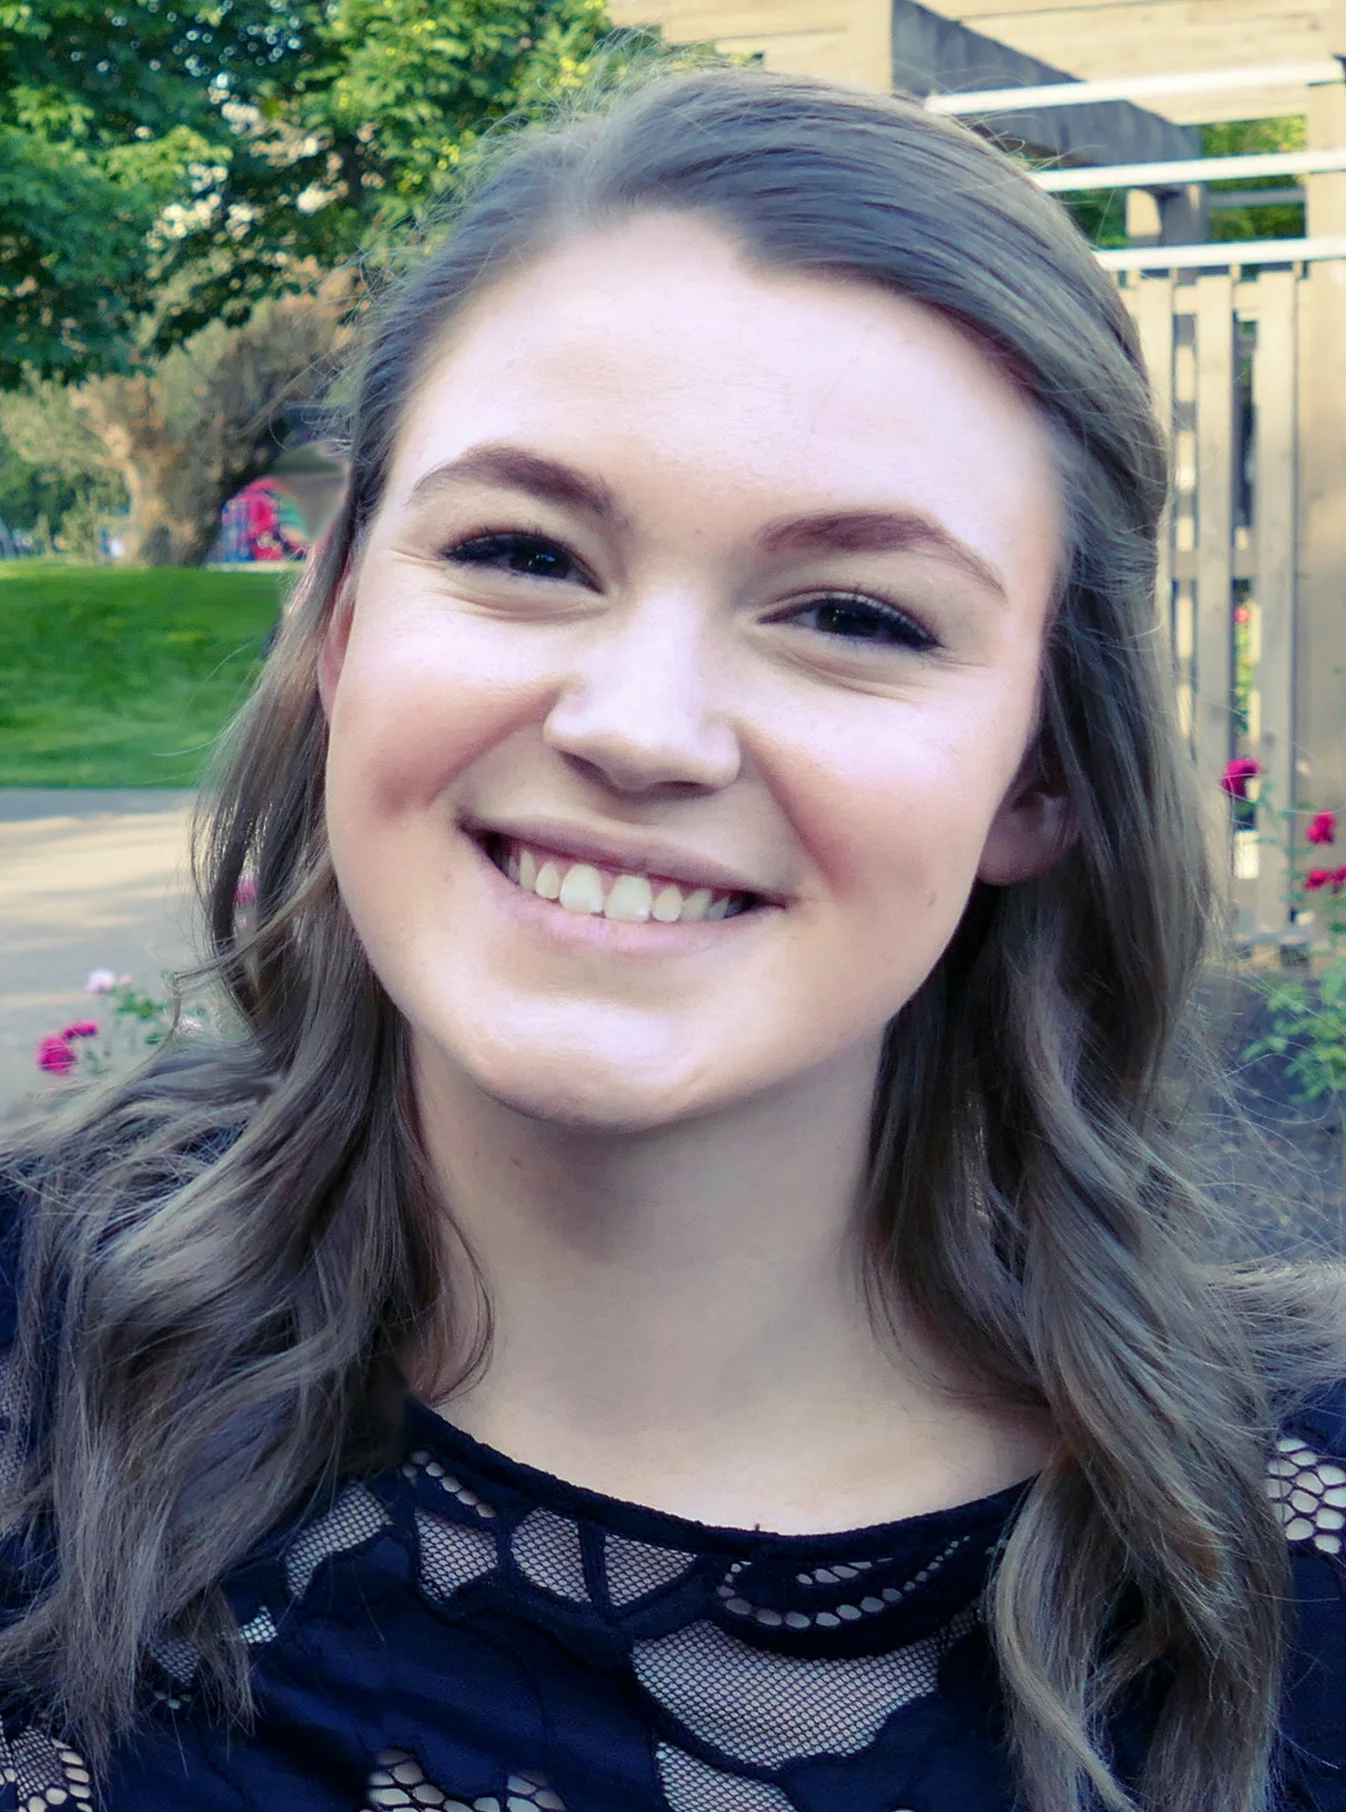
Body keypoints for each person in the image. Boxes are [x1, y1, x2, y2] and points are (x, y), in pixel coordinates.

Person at [1, 67, 1344, 1812]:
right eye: (522, 550)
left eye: (854, 614)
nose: (641, 727)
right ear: (337, 630)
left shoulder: (1299, 1549)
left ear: (1039, 775)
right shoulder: (27, 1345)